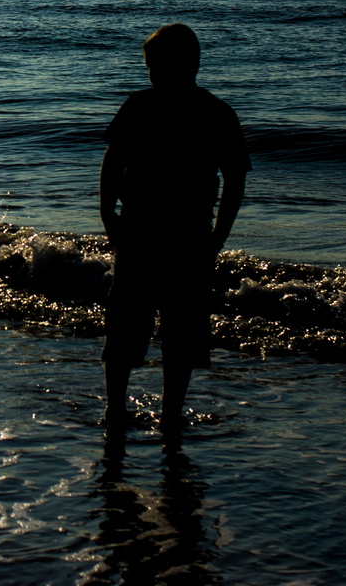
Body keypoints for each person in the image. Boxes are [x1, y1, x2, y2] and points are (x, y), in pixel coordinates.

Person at [99, 23, 248, 436]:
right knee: (143, 326)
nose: (152, 75)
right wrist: (107, 212)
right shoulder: (205, 111)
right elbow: (114, 161)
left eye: (156, 67)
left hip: (170, 234)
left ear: (183, 65)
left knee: (163, 329)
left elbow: (235, 177)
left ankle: (152, 412)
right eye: (150, 68)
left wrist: (219, 233)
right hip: (162, 233)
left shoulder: (201, 111)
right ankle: (134, 412)